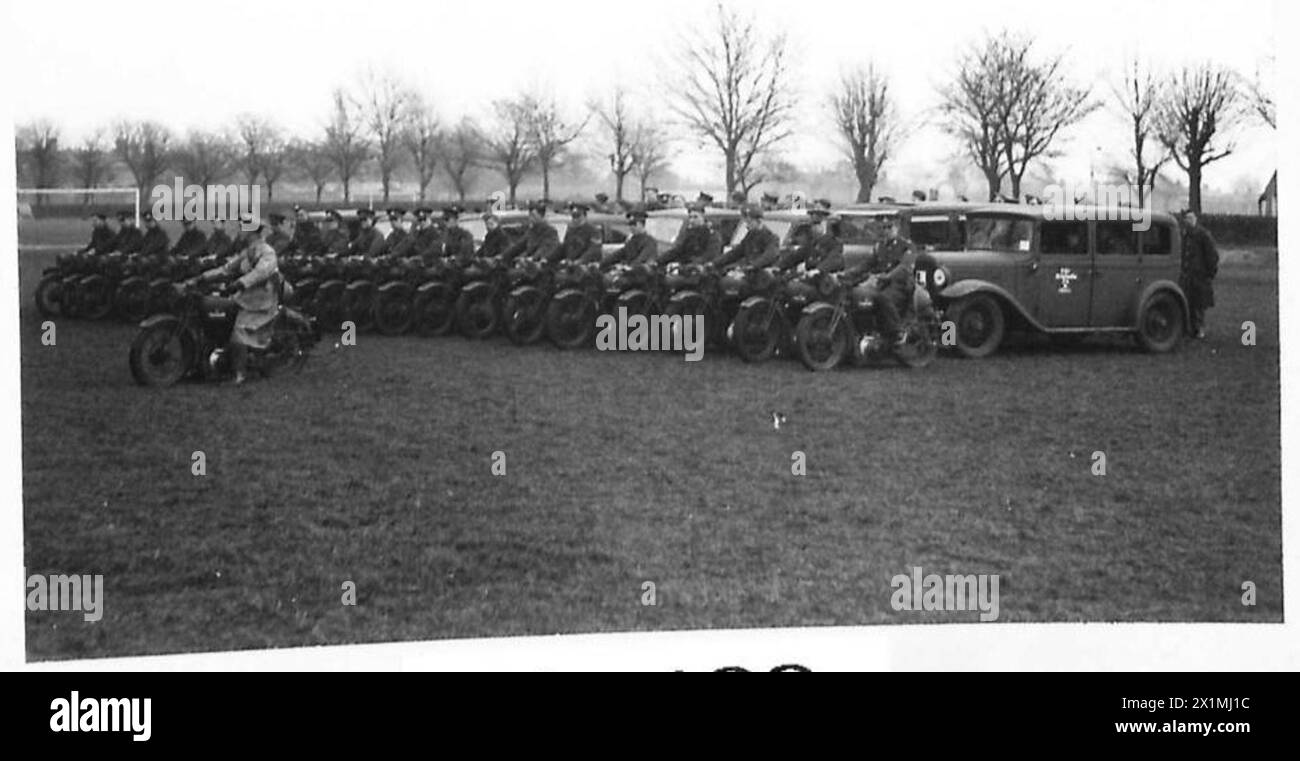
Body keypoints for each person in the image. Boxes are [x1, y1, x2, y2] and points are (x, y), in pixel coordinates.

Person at [195, 221, 281, 385]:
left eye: (243, 228)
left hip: (262, 300)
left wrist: (239, 284)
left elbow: (260, 273)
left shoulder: (267, 252)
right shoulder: (246, 252)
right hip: (245, 297)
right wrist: (204, 277)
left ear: (253, 233)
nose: (240, 231)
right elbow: (226, 269)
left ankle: (239, 375)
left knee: (238, 332)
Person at [842, 216, 914, 345]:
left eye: (889, 227)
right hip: (881, 282)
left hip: (898, 284)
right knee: (859, 295)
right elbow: (867, 264)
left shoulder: (906, 246)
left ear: (897, 228)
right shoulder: (879, 246)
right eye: (884, 228)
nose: (886, 231)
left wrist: (889, 276)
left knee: (882, 298)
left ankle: (898, 331)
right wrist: (848, 274)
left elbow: (904, 267)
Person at [1180, 210, 1219, 339]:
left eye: (1190, 218)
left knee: (1199, 304)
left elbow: (1212, 255)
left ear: (1194, 219)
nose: (1188, 221)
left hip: (1200, 275)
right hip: (1188, 274)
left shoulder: (1203, 235)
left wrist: (1210, 272)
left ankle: (1200, 329)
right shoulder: (1185, 235)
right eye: (1186, 219)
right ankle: (1191, 328)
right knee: (1189, 302)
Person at [656, 203, 723, 265]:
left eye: (695, 217)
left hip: (702, 270)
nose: (692, 220)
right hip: (685, 268)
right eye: (690, 217)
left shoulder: (712, 235)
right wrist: (658, 261)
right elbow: (677, 250)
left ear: (703, 218)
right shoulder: (689, 233)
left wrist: (692, 264)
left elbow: (709, 256)